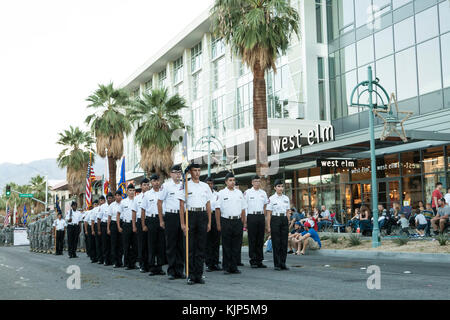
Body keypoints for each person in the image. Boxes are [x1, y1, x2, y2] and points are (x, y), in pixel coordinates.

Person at [179, 163, 212, 285]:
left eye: (199, 170)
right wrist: (183, 223)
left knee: (200, 247)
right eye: (195, 170)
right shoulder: (186, 185)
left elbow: (208, 205)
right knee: (190, 247)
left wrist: (209, 221)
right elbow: (181, 205)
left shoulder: (205, 186)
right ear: (190, 172)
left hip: (202, 215)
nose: (197, 172)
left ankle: (199, 274)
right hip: (190, 215)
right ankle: (190, 275)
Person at [216, 172, 246, 275]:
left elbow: (243, 209)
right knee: (226, 245)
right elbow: (217, 209)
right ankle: (226, 267)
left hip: (237, 221)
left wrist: (243, 222)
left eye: (233, 180)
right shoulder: (221, 193)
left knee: (236, 245)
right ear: (226, 182)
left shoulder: (239, 193)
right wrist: (218, 224)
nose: (232, 182)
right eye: (230, 180)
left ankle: (234, 267)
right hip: (226, 220)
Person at [158, 165, 185, 280]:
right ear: (171, 174)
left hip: (182, 216)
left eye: (179, 172)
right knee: (171, 244)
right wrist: (161, 220)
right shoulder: (166, 186)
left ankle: (180, 270)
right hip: (171, 216)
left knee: (181, 244)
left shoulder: (184, 186)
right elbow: (159, 203)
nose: (178, 175)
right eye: (175, 172)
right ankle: (171, 270)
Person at [142, 174, 166, 276]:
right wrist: (143, 224)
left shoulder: (163, 193)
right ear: (151, 182)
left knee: (161, 244)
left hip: (162, 219)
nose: (156, 182)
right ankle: (151, 267)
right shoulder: (147, 195)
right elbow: (143, 210)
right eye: (154, 181)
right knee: (151, 244)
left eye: (157, 180)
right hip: (151, 220)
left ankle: (159, 267)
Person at [243, 174, 269, 269]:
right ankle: (253, 260)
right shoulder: (248, 192)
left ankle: (259, 260)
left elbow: (265, 205)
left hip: (260, 216)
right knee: (252, 239)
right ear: (252, 182)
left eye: (258, 181)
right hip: (251, 216)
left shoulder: (263, 193)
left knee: (260, 239)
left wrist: (264, 217)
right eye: (255, 181)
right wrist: (245, 219)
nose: (257, 183)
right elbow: (244, 206)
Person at [266, 179, 291, 271]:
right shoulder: (271, 199)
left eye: (282, 186)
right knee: (276, 242)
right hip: (275, 219)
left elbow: (288, 211)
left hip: (284, 219)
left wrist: (288, 222)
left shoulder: (286, 198)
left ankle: (283, 263)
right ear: (275, 188)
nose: (281, 188)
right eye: (279, 186)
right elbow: (268, 213)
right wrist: (268, 226)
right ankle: (277, 264)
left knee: (284, 242)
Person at [204, 176, 222, 272]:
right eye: (208, 183)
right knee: (207, 242)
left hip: (215, 216)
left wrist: (219, 223)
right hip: (206, 216)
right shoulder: (202, 193)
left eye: (211, 183)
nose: (210, 185)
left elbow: (219, 208)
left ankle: (215, 262)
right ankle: (208, 263)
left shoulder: (217, 194)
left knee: (216, 241)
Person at [119, 184, 138, 270]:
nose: (132, 192)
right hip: (126, 225)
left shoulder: (137, 201)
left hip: (135, 224)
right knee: (126, 245)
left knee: (135, 244)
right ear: (127, 191)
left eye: (133, 190)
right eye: (130, 190)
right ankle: (126, 263)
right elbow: (118, 214)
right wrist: (119, 226)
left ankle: (133, 263)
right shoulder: (123, 202)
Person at [134, 178, 150, 272]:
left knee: (150, 243)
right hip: (140, 221)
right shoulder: (137, 198)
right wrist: (134, 225)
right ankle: (142, 264)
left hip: (150, 220)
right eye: (144, 185)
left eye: (147, 185)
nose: (146, 186)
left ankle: (150, 263)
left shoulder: (153, 195)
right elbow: (134, 212)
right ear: (141, 186)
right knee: (141, 243)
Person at [108, 190, 124, 268]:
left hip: (122, 223)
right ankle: (115, 261)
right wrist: (108, 228)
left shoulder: (124, 203)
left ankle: (120, 261)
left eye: (119, 195)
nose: (118, 197)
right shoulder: (112, 205)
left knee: (121, 243)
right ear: (115, 197)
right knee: (114, 243)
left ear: (121, 196)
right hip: (114, 224)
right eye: (116, 195)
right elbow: (109, 218)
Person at [99, 193, 114, 266]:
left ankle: (112, 260)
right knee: (105, 243)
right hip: (104, 225)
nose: (110, 199)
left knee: (112, 243)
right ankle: (106, 259)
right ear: (106, 199)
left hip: (112, 225)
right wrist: (99, 229)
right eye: (108, 198)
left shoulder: (115, 205)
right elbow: (99, 218)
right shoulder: (102, 207)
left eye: (111, 198)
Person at [92, 197, 103, 264]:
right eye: (100, 200)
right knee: (98, 243)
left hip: (103, 225)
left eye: (102, 200)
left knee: (104, 243)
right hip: (97, 225)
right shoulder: (95, 209)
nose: (101, 202)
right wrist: (93, 230)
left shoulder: (105, 207)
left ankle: (105, 258)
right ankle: (99, 258)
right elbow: (92, 220)